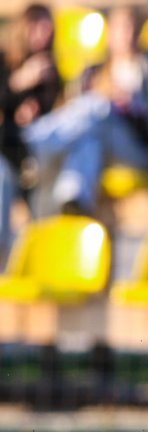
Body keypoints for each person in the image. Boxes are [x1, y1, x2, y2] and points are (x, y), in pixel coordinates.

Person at [22, 4, 148, 216]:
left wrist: (131, 107)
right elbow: (69, 109)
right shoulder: (94, 71)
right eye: (121, 28)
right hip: (100, 139)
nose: (127, 34)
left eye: (131, 27)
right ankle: (72, 201)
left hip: (140, 148)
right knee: (88, 138)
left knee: (98, 106)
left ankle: (29, 143)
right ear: (110, 33)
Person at [0, 3, 60, 258]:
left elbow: (52, 114)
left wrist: (33, 110)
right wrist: (18, 83)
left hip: (31, 150)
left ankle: (38, 255)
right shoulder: (4, 60)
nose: (43, 33)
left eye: (47, 27)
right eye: (37, 26)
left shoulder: (49, 69)